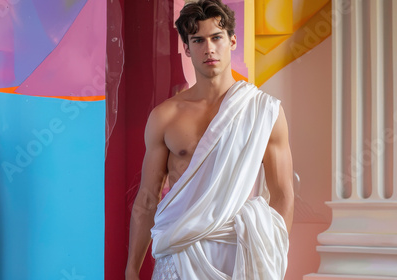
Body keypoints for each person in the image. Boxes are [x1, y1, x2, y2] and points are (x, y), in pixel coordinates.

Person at [125, 0, 294, 279]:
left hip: (239, 256)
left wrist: (271, 256)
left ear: (232, 41)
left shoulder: (263, 111)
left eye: (216, 37)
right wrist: (131, 270)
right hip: (179, 254)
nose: (209, 48)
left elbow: (283, 194)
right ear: (187, 48)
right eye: (198, 40)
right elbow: (146, 199)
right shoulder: (165, 117)